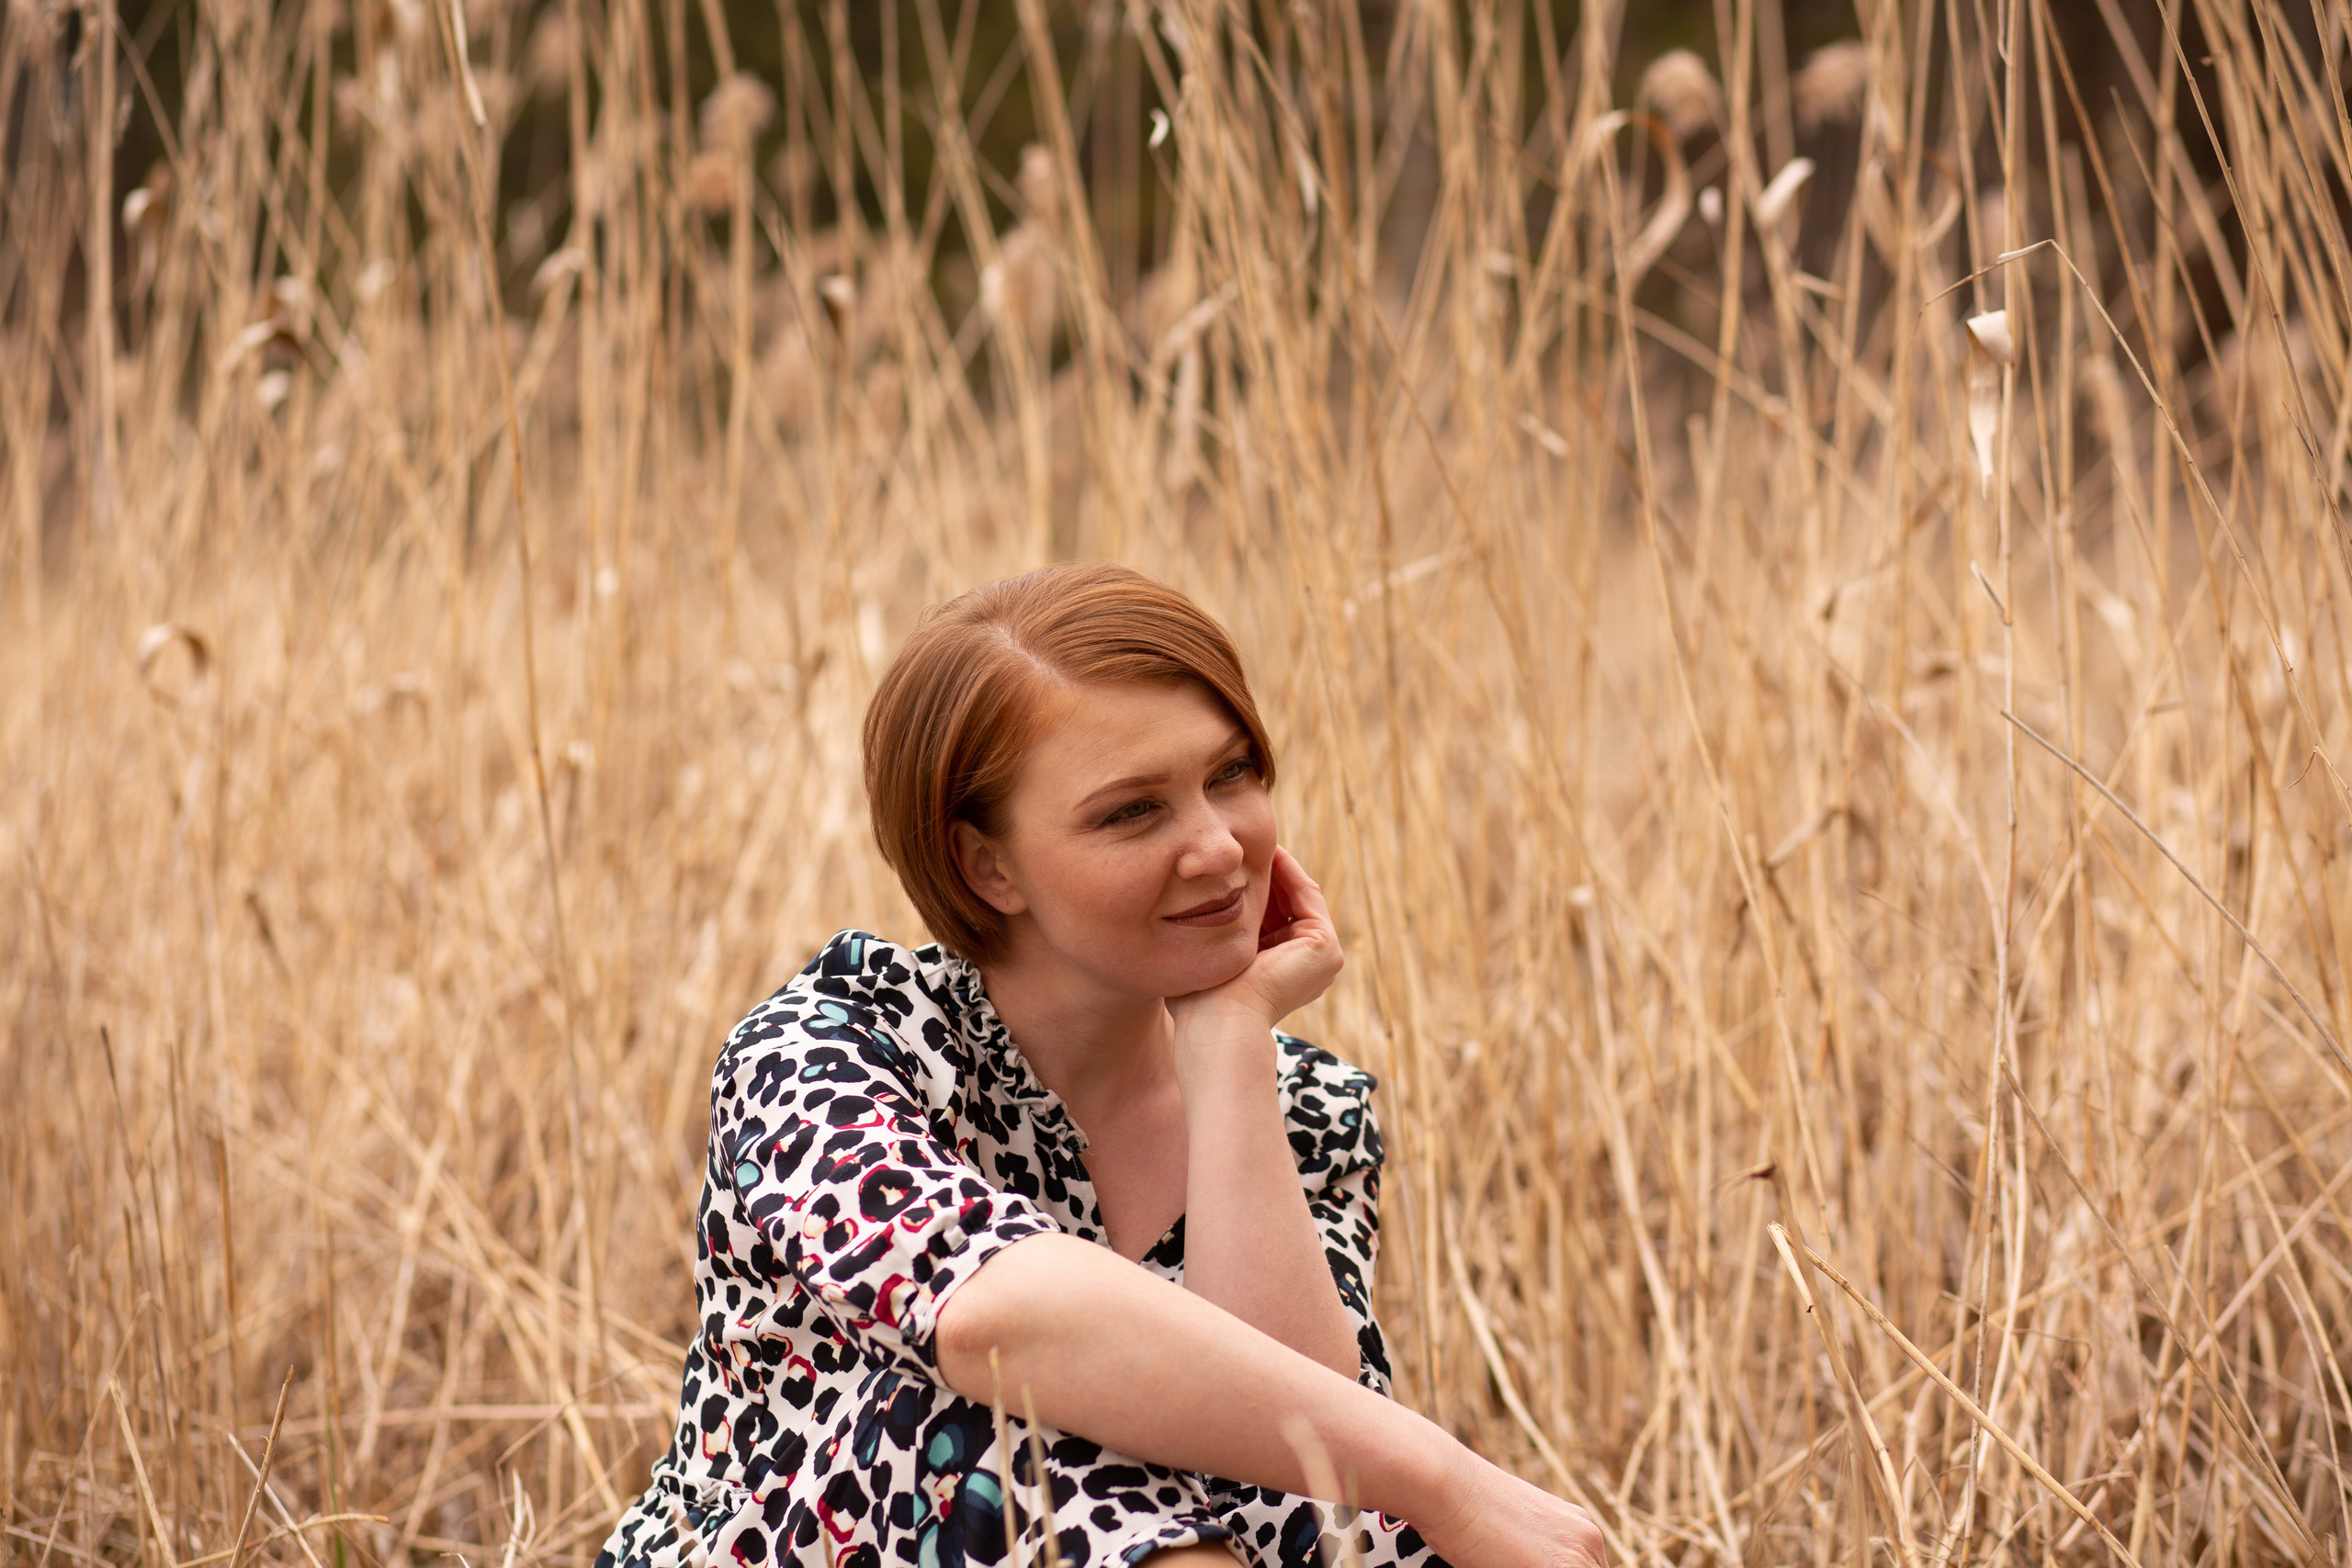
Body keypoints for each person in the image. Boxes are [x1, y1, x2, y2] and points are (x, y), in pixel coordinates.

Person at [598, 564, 1606, 1568]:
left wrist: (1227, 1040)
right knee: (1000, 1450)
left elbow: (1305, 1458)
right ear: (984, 866)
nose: (1216, 846)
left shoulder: (1301, 1101)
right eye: (1132, 812)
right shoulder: (827, 1049)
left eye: (1232, 776)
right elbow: (996, 1317)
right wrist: (1448, 1481)